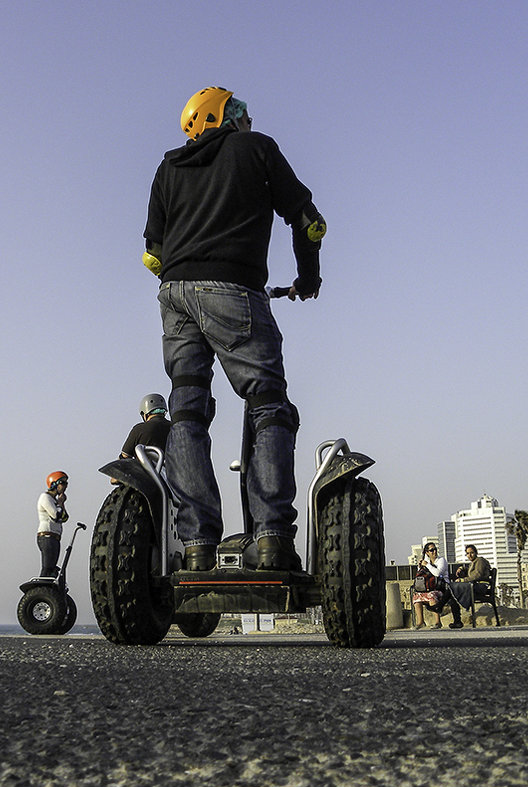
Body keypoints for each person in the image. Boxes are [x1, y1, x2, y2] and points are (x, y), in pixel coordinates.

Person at [143, 86, 326, 571]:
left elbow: (152, 254)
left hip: (174, 294)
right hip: (235, 292)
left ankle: (198, 546)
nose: (247, 119)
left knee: (186, 411)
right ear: (221, 117)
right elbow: (308, 222)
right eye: (239, 112)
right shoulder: (257, 147)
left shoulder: (168, 166)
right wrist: (309, 277)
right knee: (268, 403)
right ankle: (270, 539)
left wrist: (186, 276)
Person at [412, 544, 464, 630]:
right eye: (432, 550)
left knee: (431, 596)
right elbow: (420, 576)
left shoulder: (441, 560)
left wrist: (428, 565)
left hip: (443, 588)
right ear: (427, 553)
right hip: (429, 587)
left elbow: (437, 573)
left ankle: (437, 622)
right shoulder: (426, 562)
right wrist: (420, 566)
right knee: (416, 597)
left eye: (435, 549)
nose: (434, 552)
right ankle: (420, 622)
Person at [37, 471, 70, 578]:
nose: (66, 486)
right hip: (47, 536)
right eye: (63, 483)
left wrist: (61, 503)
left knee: (52, 569)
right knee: (47, 568)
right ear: (55, 484)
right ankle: (41, 590)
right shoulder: (45, 497)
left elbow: (65, 517)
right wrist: (60, 503)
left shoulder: (54, 500)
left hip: (55, 538)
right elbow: (55, 515)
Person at [120, 393, 172, 459]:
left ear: (144, 414)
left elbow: (124, 457)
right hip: (174, 468)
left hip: (145, 469)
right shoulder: (175, 427)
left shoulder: (139, 429)